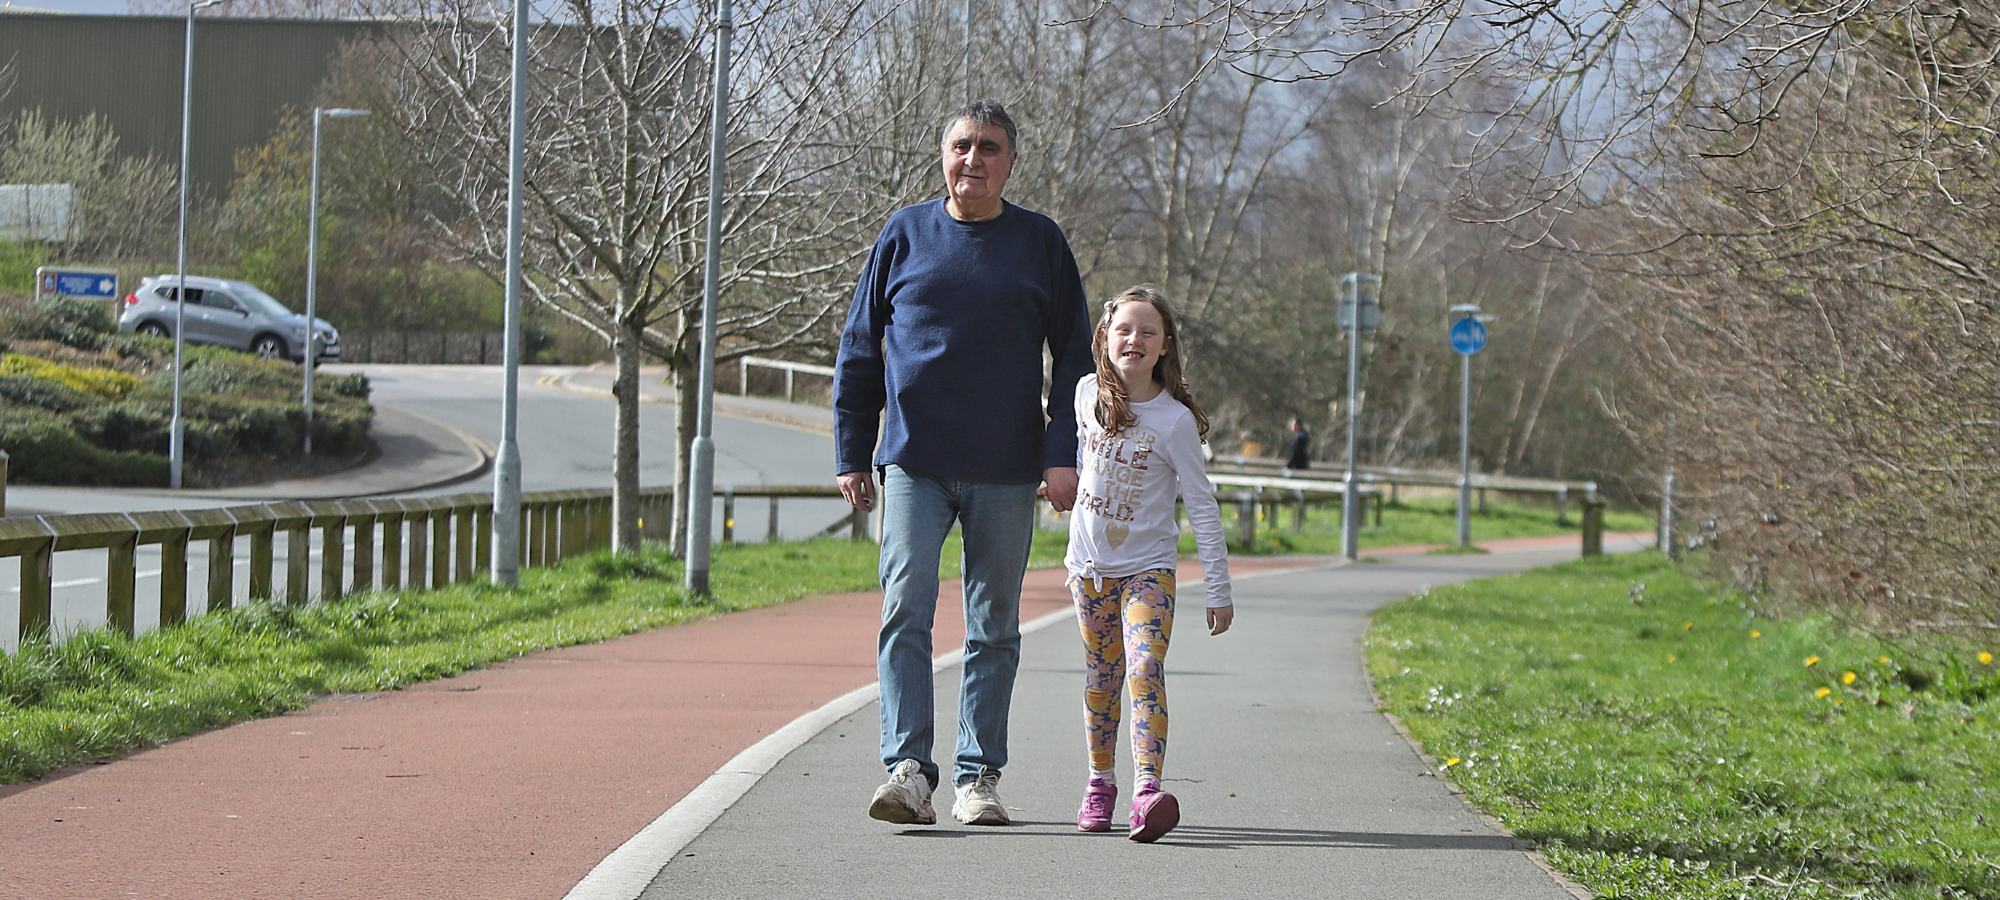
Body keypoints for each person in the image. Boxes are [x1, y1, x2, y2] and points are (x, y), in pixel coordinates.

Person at [832, 100, 1094, 828]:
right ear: (943, 157)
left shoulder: (1039, 242)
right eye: (960, 146)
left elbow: (1075, 355)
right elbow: (860, 344)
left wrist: (1061, 454)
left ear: (1011, 161)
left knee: (993, 625)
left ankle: (978, 778)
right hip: (913, 460)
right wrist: (853, 448)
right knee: (904, 608)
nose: (972, 159)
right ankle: (909, 770)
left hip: (1007, 469)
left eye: (988, 147)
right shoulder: (904, 234)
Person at [1064, 284, 1233, 842]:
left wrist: (1218, 587)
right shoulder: (1086, 394)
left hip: (1148, 572)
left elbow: (1202, 507)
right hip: (1089, 571)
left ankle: (1145, 792)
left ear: (1165, 347)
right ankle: (1099, 784)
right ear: (1105, 339)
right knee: (1100, 679)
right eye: (1124, 330)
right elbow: (1082, 461)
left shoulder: (1174, 422)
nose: (1134, 339)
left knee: (1142, 670)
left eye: (1148, 332)